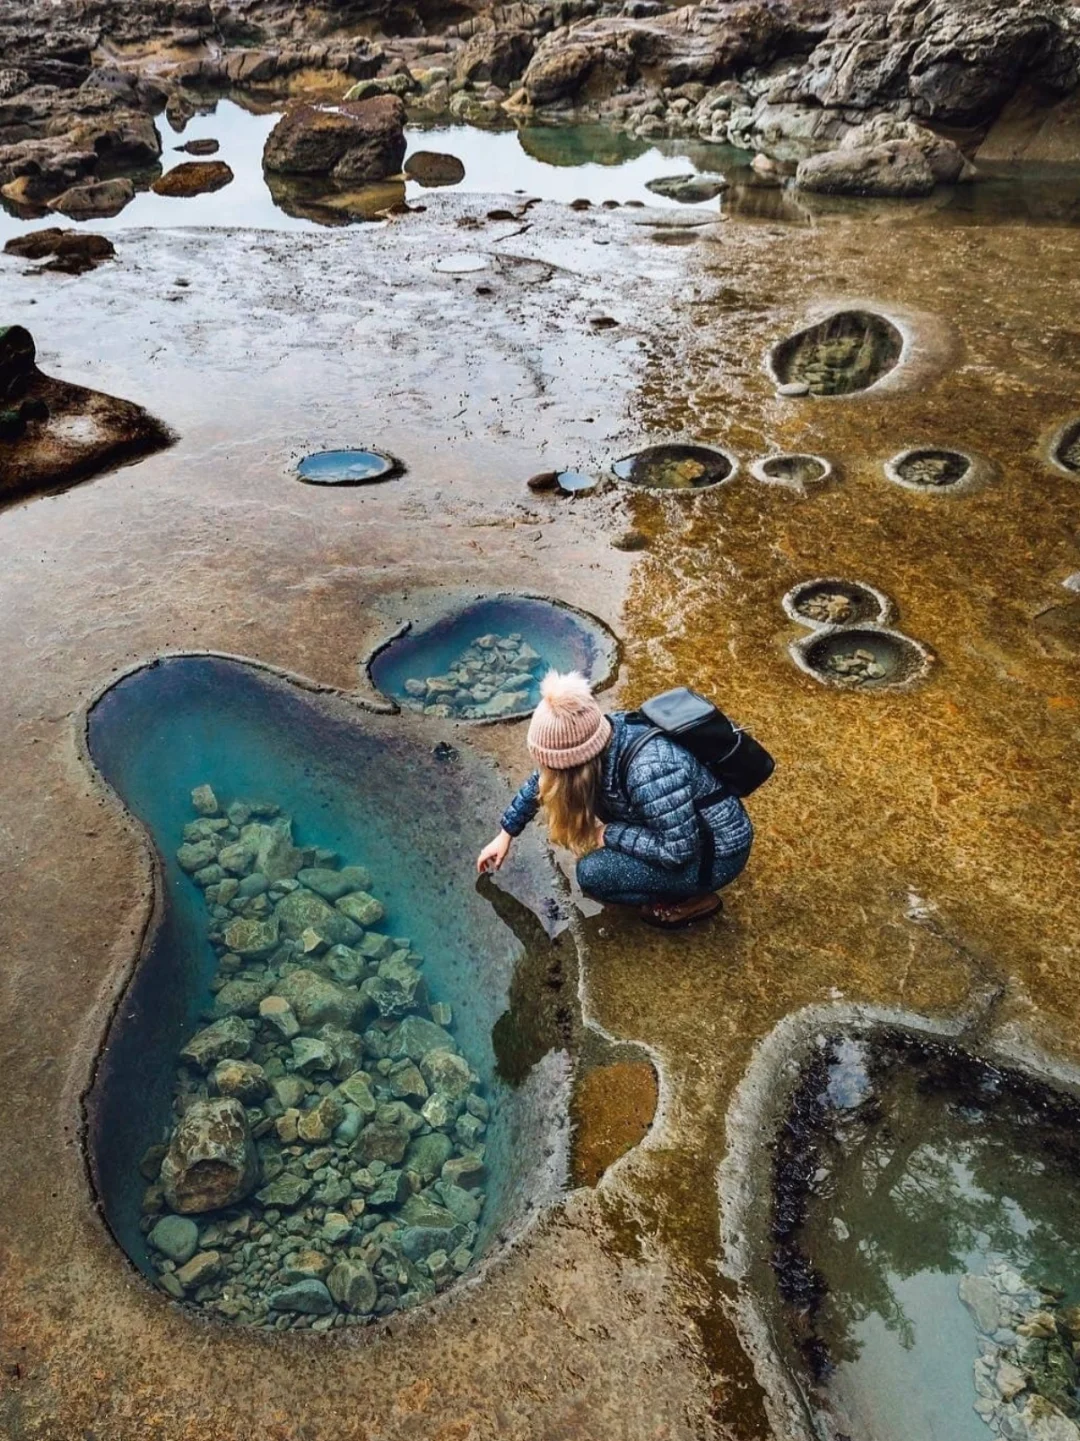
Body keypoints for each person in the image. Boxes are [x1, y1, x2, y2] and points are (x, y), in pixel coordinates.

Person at [476, 670, 753, 929]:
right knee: (604, 861)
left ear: (574, 763)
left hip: (716, 855)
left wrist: (609, 833)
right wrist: (506, 832)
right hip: (678, 827)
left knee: (594, 875)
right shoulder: (599, 736)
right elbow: (545, 781)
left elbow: (678, 852)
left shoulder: (650, 771)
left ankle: (696, 899)